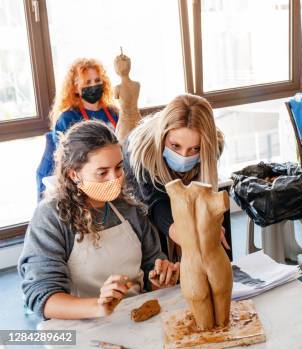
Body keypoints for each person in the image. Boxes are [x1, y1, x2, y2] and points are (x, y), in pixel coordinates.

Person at [20, 121, 178, 320]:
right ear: (74, 174)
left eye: (119, 168)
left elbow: (150, 269)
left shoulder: (129, 209)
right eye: (102, 172)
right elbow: (41, 296)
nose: (115, 179)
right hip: (80, 327)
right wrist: (98, 307)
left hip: (135, 319)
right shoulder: (52, 217)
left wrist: (160, 280)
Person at [124, 94, 226, 257]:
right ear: (163, 136)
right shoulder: (140, 151)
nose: (184, 156)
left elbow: (201, 194)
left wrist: (208, 225)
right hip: (146, 201)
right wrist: (188, 237)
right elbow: (156, 204)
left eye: (195, 149)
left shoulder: (215, 145)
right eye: (175, 146)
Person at [36, 58, 119, 199]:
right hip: (83, 178)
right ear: (75, 88)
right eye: (88, 82)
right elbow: (66, 159)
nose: (94, 85)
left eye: (97, 80)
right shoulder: (68, 118)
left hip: (109, 173)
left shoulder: (112, 112)